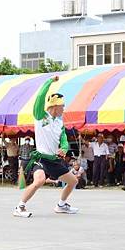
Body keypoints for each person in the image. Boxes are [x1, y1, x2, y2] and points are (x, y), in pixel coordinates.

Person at [13, 76, 79, 217]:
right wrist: (49, 82)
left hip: (54, 159)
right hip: (41, 157)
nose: (64, 108)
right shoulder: (40, 116)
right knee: (39, 181)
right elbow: (40, 97)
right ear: (55, 106)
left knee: (73, 181)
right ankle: (20, 207)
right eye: (62, 106)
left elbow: (64, 140)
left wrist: (65, 148)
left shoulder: (59, 123)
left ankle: (61, 205)